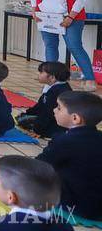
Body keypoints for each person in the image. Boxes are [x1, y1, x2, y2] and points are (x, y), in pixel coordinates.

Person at [31, 0, 94, 89]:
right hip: (47, 17)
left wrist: (71, 16)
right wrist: (34, 10)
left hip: (70, 18)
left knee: (75, 47)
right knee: (50, 46)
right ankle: (50, 78)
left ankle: (90, 79)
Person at [36, 91, 102, 220]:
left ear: (75, 118)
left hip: (76, 204)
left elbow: (39, 165)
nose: (54, 110)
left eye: (59, 108)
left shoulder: (65, 141)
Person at [16, 62, 71, 138]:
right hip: (52, 119)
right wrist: (28, 112)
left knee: (22, 120)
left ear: (52, 77)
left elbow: (47, 113)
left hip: (56, 124)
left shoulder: (55, 91)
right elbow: (40, 105)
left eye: (41, 72)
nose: (38, 75)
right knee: (22, 117)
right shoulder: (54, 87)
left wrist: (38, 130)